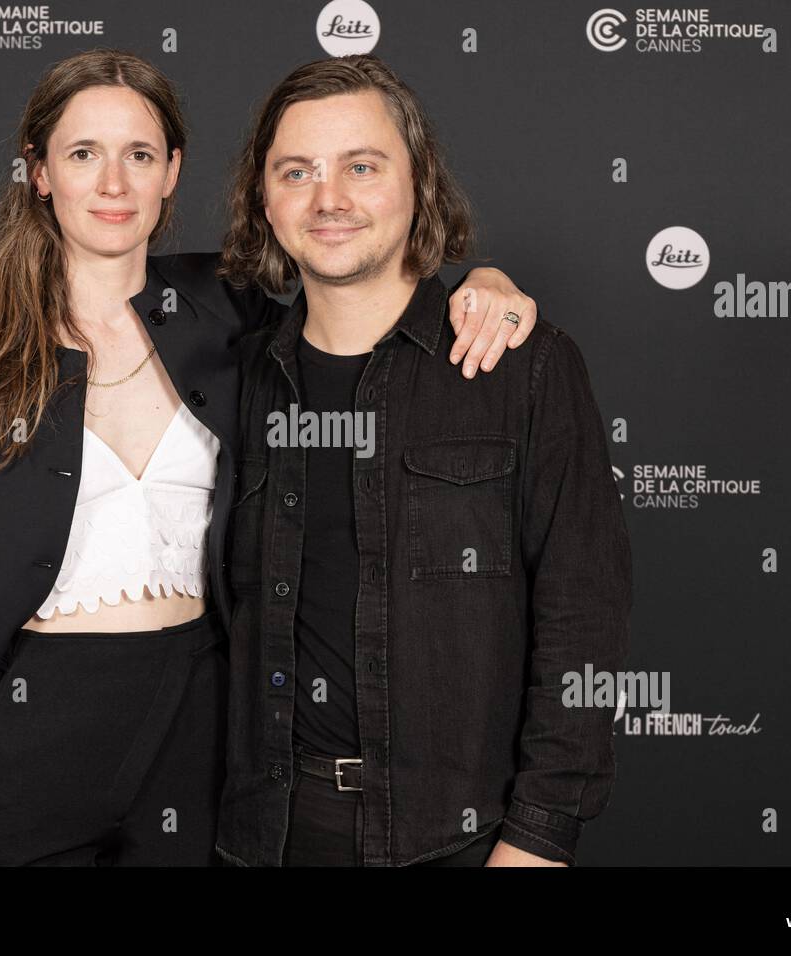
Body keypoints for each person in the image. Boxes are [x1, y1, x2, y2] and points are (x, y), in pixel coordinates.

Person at [0, 47, 538, 865]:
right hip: (25, 723)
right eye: (83, 154)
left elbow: (357, 269)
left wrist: (486, 281)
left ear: (172, 171)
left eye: (139, 155)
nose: (114, 184)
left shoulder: (226, 306)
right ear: (37, 171)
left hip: (204, 728)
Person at [214, 55, 634, 867]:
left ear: (419, 183)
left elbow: (584, 616)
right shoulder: (235, 378)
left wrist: (539, 839)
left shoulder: (523, 368)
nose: (328, 198)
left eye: (361, 167)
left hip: (459, 844)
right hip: (261, 839)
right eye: (296, 171)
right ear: (265, 200)